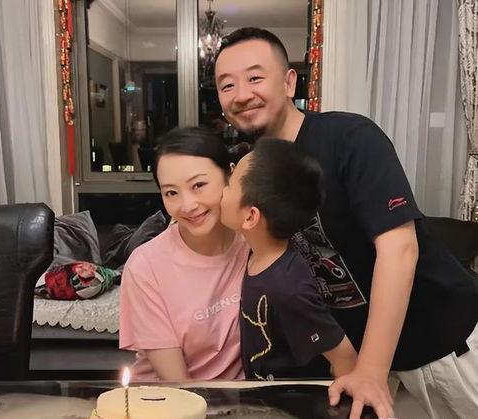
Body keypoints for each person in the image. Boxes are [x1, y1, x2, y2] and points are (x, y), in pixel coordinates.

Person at [214, 27, 478, 419]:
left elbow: (400, 248)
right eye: (227, 85)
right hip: (361, 358)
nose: (241, 94)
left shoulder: (349, 137)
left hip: (443, 337)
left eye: (254, 77)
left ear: (289, 82)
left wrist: (371, 369)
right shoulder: (256, 167)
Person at [220, 138, 358, 381]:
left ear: (251, 217)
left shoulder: (288, 288)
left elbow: (345, 357)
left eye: (230, 185)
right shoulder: (255, 254)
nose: (223, 190)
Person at [119, 126, 250, 381]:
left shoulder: (254, 242)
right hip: (169, 397)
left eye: (198, 185)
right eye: (171, 193)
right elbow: (177, 383)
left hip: (239, 398)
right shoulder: (146, 265)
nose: (187, 205)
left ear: (230, 175)